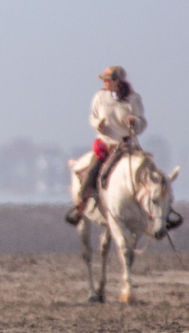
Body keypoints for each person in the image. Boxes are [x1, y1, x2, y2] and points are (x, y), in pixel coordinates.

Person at [65, 65, 146, 224]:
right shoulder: (100, 97)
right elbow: (93, 118)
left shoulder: (134, 99)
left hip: (127, 146)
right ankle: (81, 207)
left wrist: (134, 122)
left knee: (148, 172)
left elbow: (142, 123)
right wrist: (98, 124)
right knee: (92, 172)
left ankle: (157, 209)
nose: (105, 83)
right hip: (106, 146)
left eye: (108, 80)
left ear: (118, 81)